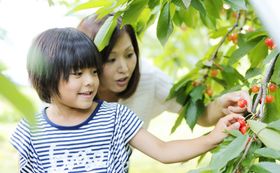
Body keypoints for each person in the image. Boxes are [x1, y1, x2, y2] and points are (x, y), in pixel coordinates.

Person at [11, 27, 243, 173]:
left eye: (93, 71)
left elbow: (164, 151)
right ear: (47, 77)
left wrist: (213, 138)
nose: (91, 81)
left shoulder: (116, 117)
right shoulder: (30, 130)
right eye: (78, 74)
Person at [77, 14, 251, 128]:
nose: (124, 68)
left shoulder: (148, 79)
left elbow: (200, 114)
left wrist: (222, 104)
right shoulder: (66, 88)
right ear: (89, 60)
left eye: (129, 54)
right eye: (111, 59)